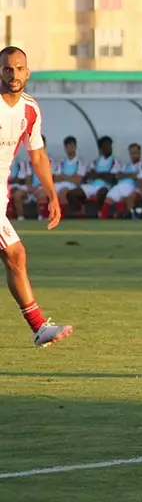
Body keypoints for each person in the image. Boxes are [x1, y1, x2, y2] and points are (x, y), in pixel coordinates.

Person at [0, 46, 73, 347]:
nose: (13, 74)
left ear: (28, 73)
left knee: (14, 258)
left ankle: (39, 328)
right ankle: (39, 327)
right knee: (16, 255)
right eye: (7, 68)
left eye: (19, 68)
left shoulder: (30, 110)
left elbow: (38, 155)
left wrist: (52, 196)